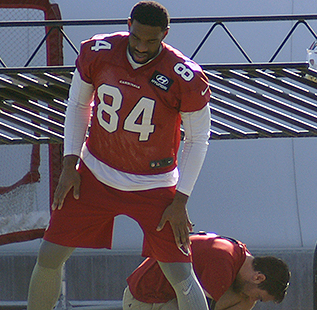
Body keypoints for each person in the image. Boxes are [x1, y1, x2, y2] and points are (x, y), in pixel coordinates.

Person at [26, 1, 212, 310]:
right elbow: (78, 106)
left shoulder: (186, 76)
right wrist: (70, 163)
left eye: (151, 41)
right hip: (95, 173)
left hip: (154, 185)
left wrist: (181, 200)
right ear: (128, 25)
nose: (141, 47)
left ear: (165, 34)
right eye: (137, 37)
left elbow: (198, 139)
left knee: (180, 272)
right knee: (49, 254)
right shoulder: (99, 52)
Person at [123, 232, 290, 310]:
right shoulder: (223, 266)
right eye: (259, 297)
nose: (253, 299)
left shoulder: (238, 252)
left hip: (160, 292)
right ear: (258, 278)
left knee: (244, 302)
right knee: (244, 302)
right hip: (146, 300)